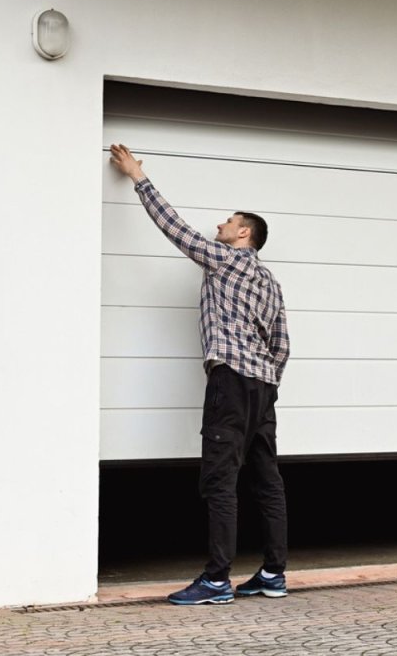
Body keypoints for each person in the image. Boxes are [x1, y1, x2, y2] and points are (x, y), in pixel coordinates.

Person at [109, 144, 291, 605]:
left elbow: (175, 229)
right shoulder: (270, 280)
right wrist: (267, 382)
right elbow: (282, 343)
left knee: (220, 479)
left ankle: (215, 580)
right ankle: (273, 574)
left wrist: (137, 177)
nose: (219, 227)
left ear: (243, 233)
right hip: (263, 387)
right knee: (266, 479)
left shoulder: (225, 259)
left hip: (231, 381)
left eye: (228, 223)